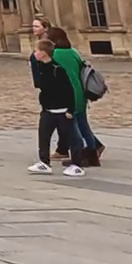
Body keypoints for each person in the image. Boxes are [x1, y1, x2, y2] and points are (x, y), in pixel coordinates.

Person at [29, 37, 87, 177]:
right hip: (48, 110)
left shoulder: (58, 70)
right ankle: (44, 162)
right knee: (44, 137)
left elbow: (69, 91)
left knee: (73, 138)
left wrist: (70, 109)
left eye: (37, 51)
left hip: (62, 111)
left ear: (43, 53)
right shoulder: (42, 68)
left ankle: (76, 164)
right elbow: (38, 84)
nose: (34, 53)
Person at [47, 28, 103, 166]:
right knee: (83, 125)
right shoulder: (73, 52)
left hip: (68, 93)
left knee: (74, 128)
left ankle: (81, 155)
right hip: (80, 92)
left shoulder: (56, 54)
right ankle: (92, 155)